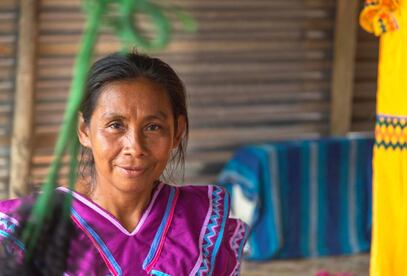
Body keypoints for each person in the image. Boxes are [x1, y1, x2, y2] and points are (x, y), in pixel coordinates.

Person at [0, 51, 248, 275]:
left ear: (177, 132)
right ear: (84, 130)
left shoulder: (203, 224)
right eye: (115, 125)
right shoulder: (30, 230)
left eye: (153, 127)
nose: (135, 148)